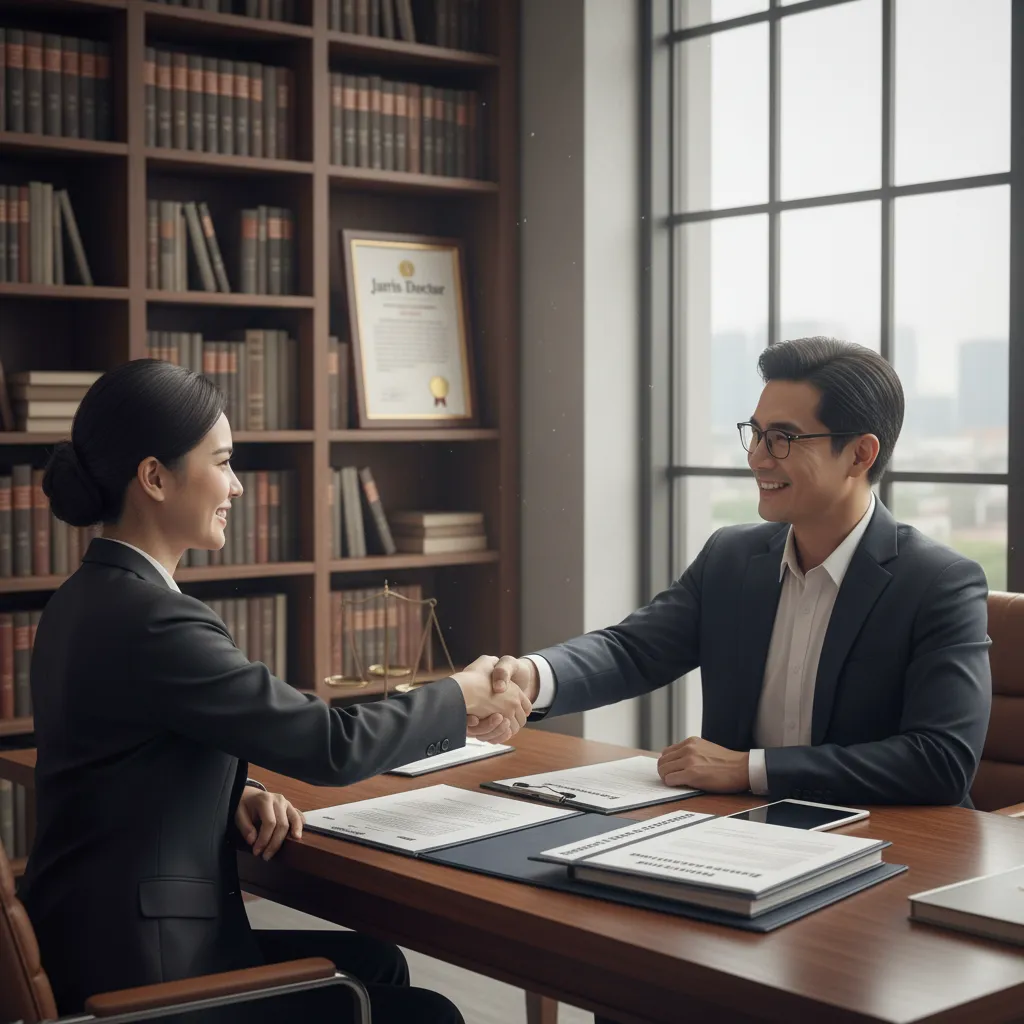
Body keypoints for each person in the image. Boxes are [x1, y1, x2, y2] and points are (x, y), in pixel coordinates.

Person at [18, 359, 532, 1023]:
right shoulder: (154, 618)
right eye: (223, 462)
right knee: (429, 1013)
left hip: (92, 939)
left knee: (376, 961)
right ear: (154, 477)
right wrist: (460, 693)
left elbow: (131, 758)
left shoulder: (82, 599)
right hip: (145, 975)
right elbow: (331, 746)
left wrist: (238, 794)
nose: (235, 486)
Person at [472, 337, 992, 808]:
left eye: (783, 439)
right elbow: (631, 650)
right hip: (739, 833)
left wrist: (748, 769)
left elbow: (940, 760)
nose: (758, 458)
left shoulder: (939, 583)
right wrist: (531, 677)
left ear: (860, 453)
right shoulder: (732, 557)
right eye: (757, 434)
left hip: (894, 845)